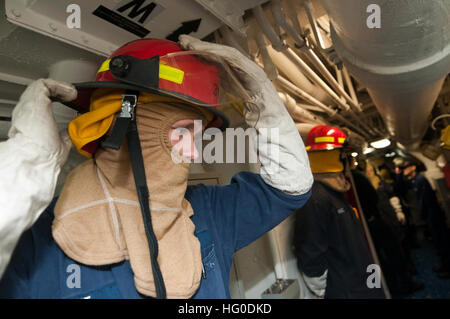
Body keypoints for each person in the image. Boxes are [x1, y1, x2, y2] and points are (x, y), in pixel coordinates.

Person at [0, 36, 313, 299]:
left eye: (199, 136)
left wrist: (262, 99)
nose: (193, 153)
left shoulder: (206, 209)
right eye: (182, 133)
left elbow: (288, 188)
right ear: (126, 126)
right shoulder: (38, 244)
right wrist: (27, 160)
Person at [293, 125, 384, 299]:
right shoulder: (316, 198)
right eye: (344, 155)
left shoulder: (336, 191)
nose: (349, 161)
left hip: (363, 284)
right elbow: (310, 254)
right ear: (333, 156)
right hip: (348, 291)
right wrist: (328, 291)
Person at [400, 160, 450, 278]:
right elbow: (401, 186)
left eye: (406, 168)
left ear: (413, 168)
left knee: (442, 241)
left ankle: (448, 267)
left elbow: (426, 199)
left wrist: (423, 214)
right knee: (438, 241)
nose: (404, 171)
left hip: (433, 214)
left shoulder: (420, 180)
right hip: (430, 214)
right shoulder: (414, 180)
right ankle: (445, 264)